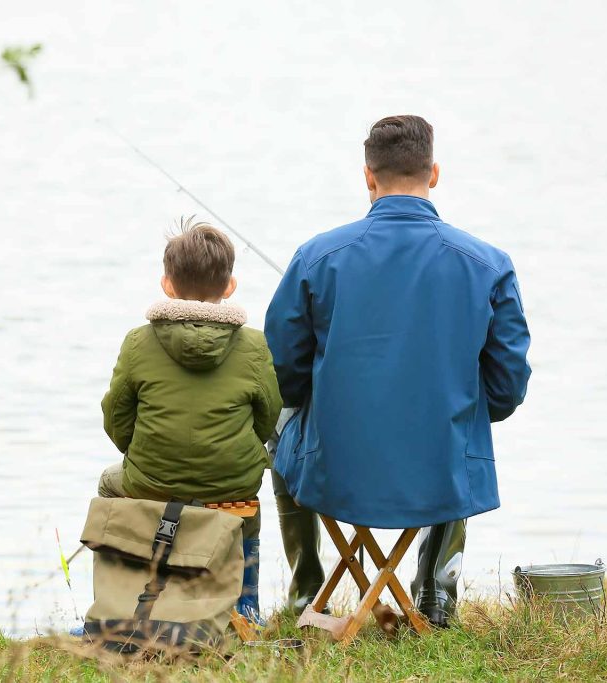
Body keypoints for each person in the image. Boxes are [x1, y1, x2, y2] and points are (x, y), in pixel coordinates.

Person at [264, 115, 532, 626]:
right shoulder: (489, 264)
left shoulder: (317, 256)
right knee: (463, 423)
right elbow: (508, 384)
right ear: (433, 173)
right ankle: (435, 595)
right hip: (440, 470)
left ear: (369, 176)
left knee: (276, 427)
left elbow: (283, 374)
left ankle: (306, 594)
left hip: (336, 472)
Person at [99, 217, 283, 624]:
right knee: (249, 506)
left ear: (166, 283)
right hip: (231, 483)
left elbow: (116, 418)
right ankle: (244, 606)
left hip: (151, 482)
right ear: (230, 285)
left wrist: (142, 452)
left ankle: (124, 604)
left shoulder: (138, 341)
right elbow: (268, 418)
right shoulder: (253, 345)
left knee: (109, 484)